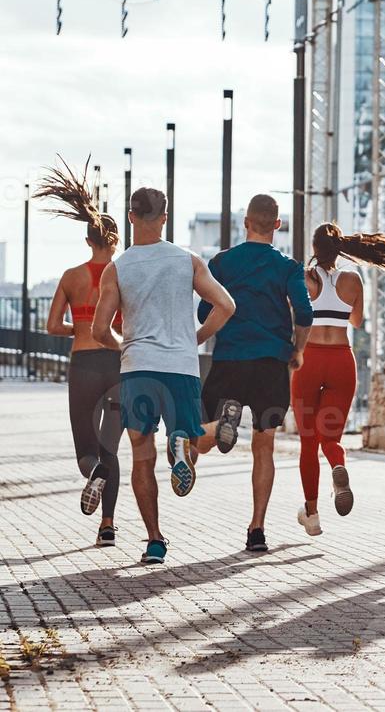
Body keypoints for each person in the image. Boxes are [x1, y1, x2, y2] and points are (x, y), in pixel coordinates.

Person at [91, 187, 236, 566]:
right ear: (165, 218)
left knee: (141, 456)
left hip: (138, 366)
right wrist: (196, 338)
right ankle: (182, 445)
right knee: (191, 438)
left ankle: (154, 541)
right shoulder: (187, 261)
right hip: (180, 367)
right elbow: (226, 305)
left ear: (131, 216)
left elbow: (99, 330)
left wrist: (124, 344)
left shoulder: (117, 268)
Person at [192, 194, 314, 554]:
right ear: (277, 225)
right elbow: (304, 314)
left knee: (201, 438)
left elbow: (204, 312)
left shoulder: (223, 262)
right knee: (265, 446)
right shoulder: (288, 267)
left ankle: (220, 426)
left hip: (230, 360)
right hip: (272, 364)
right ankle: (257, 529)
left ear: (245, 223)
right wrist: (298, 349)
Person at [292, 222, 385, 537]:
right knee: (330, 439)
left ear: (314, 248)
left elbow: (293, 319)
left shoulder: (304, 278)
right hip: (341, 361)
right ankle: (337, 466)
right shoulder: (353, 278)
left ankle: (313, 513)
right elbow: (357, 321)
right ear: (340, 248)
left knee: (308, 442)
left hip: (310, 360)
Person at [37, 159, 125, 549]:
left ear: (89, 240)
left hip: (84, 365)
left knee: (88, 453)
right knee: (111, 448)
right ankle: (107, 525)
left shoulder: (72, 276)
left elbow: (52, 326)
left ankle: (94, 476)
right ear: (116, 240)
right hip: (120, 364)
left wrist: (82, 327)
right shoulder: (126, 273)